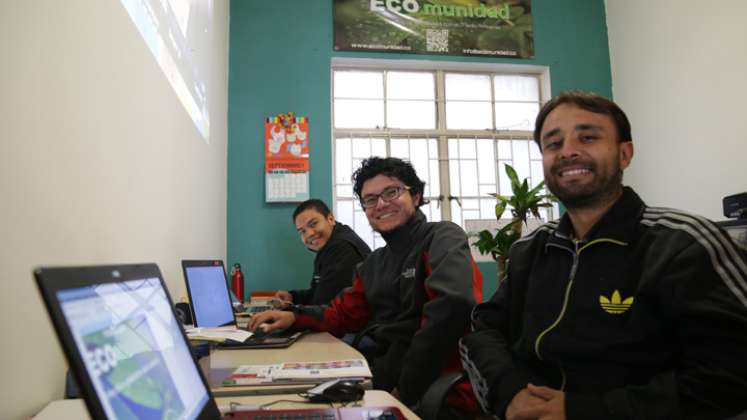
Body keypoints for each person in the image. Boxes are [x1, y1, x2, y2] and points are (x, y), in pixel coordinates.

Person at [459, 91, 747, 420]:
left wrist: (585, 411)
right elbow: (482, 332)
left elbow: (732, 371)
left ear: (625, 154)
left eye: (588, 137)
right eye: (553, 144)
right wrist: (509, 392)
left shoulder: (683, 244)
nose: (568, 151)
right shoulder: (530, 249)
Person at [250, 157, 483, 414]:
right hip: (381, 376)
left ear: (415, 196)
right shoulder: (375, 263)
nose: (381, 204)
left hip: (433, 393)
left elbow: (453, 307)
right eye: (370, 200)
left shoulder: (442, 237)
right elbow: (343, 313)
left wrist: (402, 391)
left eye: (391, 192)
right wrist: (293, 316)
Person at [273, 199, 371, 307]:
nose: (309, 234)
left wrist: (292, 315)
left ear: (330, 219)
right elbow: (318, 294)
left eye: (313, 224)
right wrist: (292, 297)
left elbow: (326, 308)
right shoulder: (329, 245)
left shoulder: (341, 248)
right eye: (302, 231)